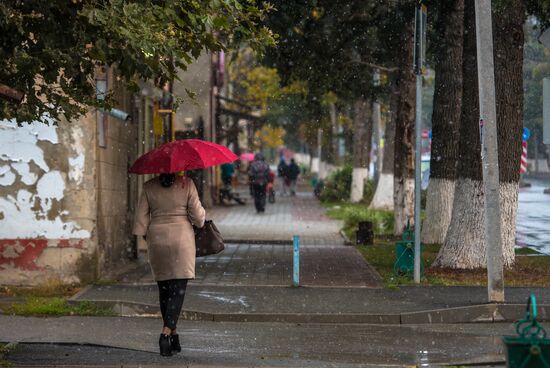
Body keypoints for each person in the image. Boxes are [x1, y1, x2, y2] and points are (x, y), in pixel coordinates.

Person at [133, 173, 205, 356]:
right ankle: (166, 333)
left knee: (164, 289)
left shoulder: (149, 186)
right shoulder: (186, 184)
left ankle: (173, 336)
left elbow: (141, 219)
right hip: (182, 239)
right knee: (178, 289)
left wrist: (147, 235)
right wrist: (198, 217)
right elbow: (198, 217)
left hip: (157, 238)